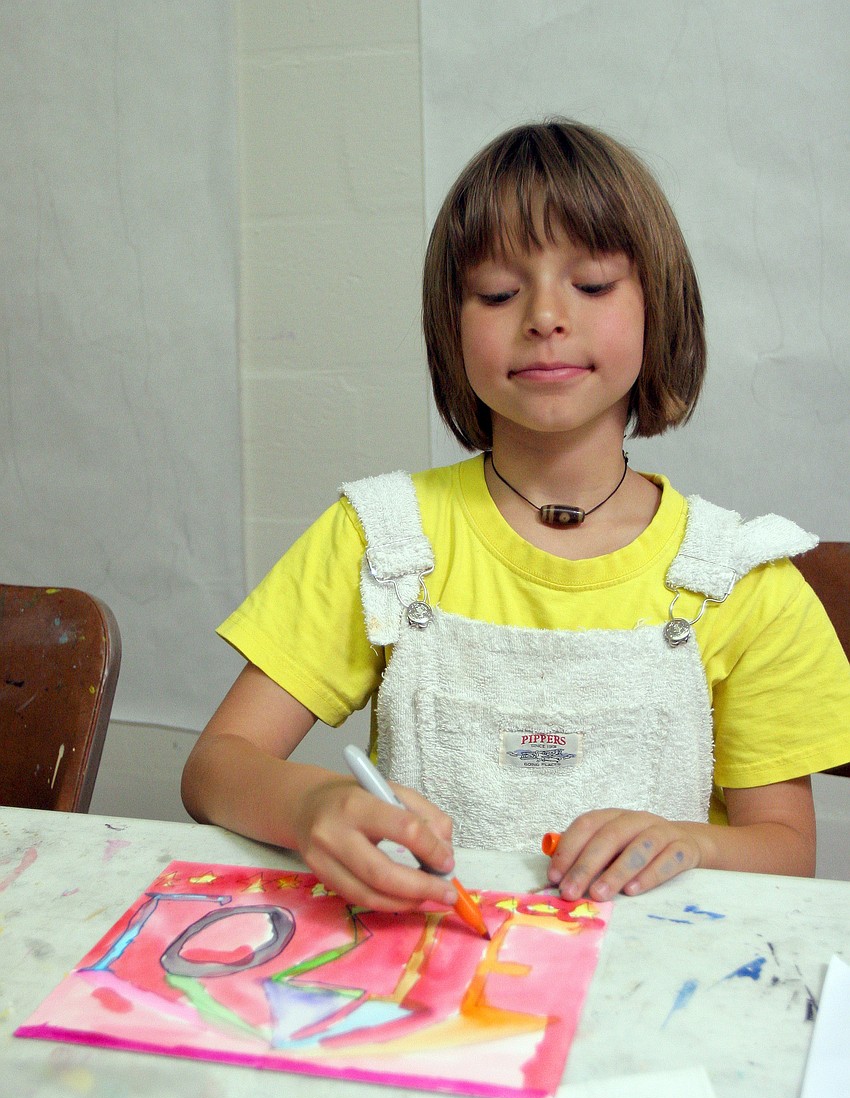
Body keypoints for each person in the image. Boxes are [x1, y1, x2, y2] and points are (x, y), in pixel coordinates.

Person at [182, 119, 850, 912]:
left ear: (657, 306)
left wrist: (693, 842)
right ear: (451, 325)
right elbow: (216, 766)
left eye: (593, 284)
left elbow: (785, 852)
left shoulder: (742, 578)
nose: (544, 316)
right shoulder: (384, 539)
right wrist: (308, 806)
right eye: (499, 292)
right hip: (431, 979)